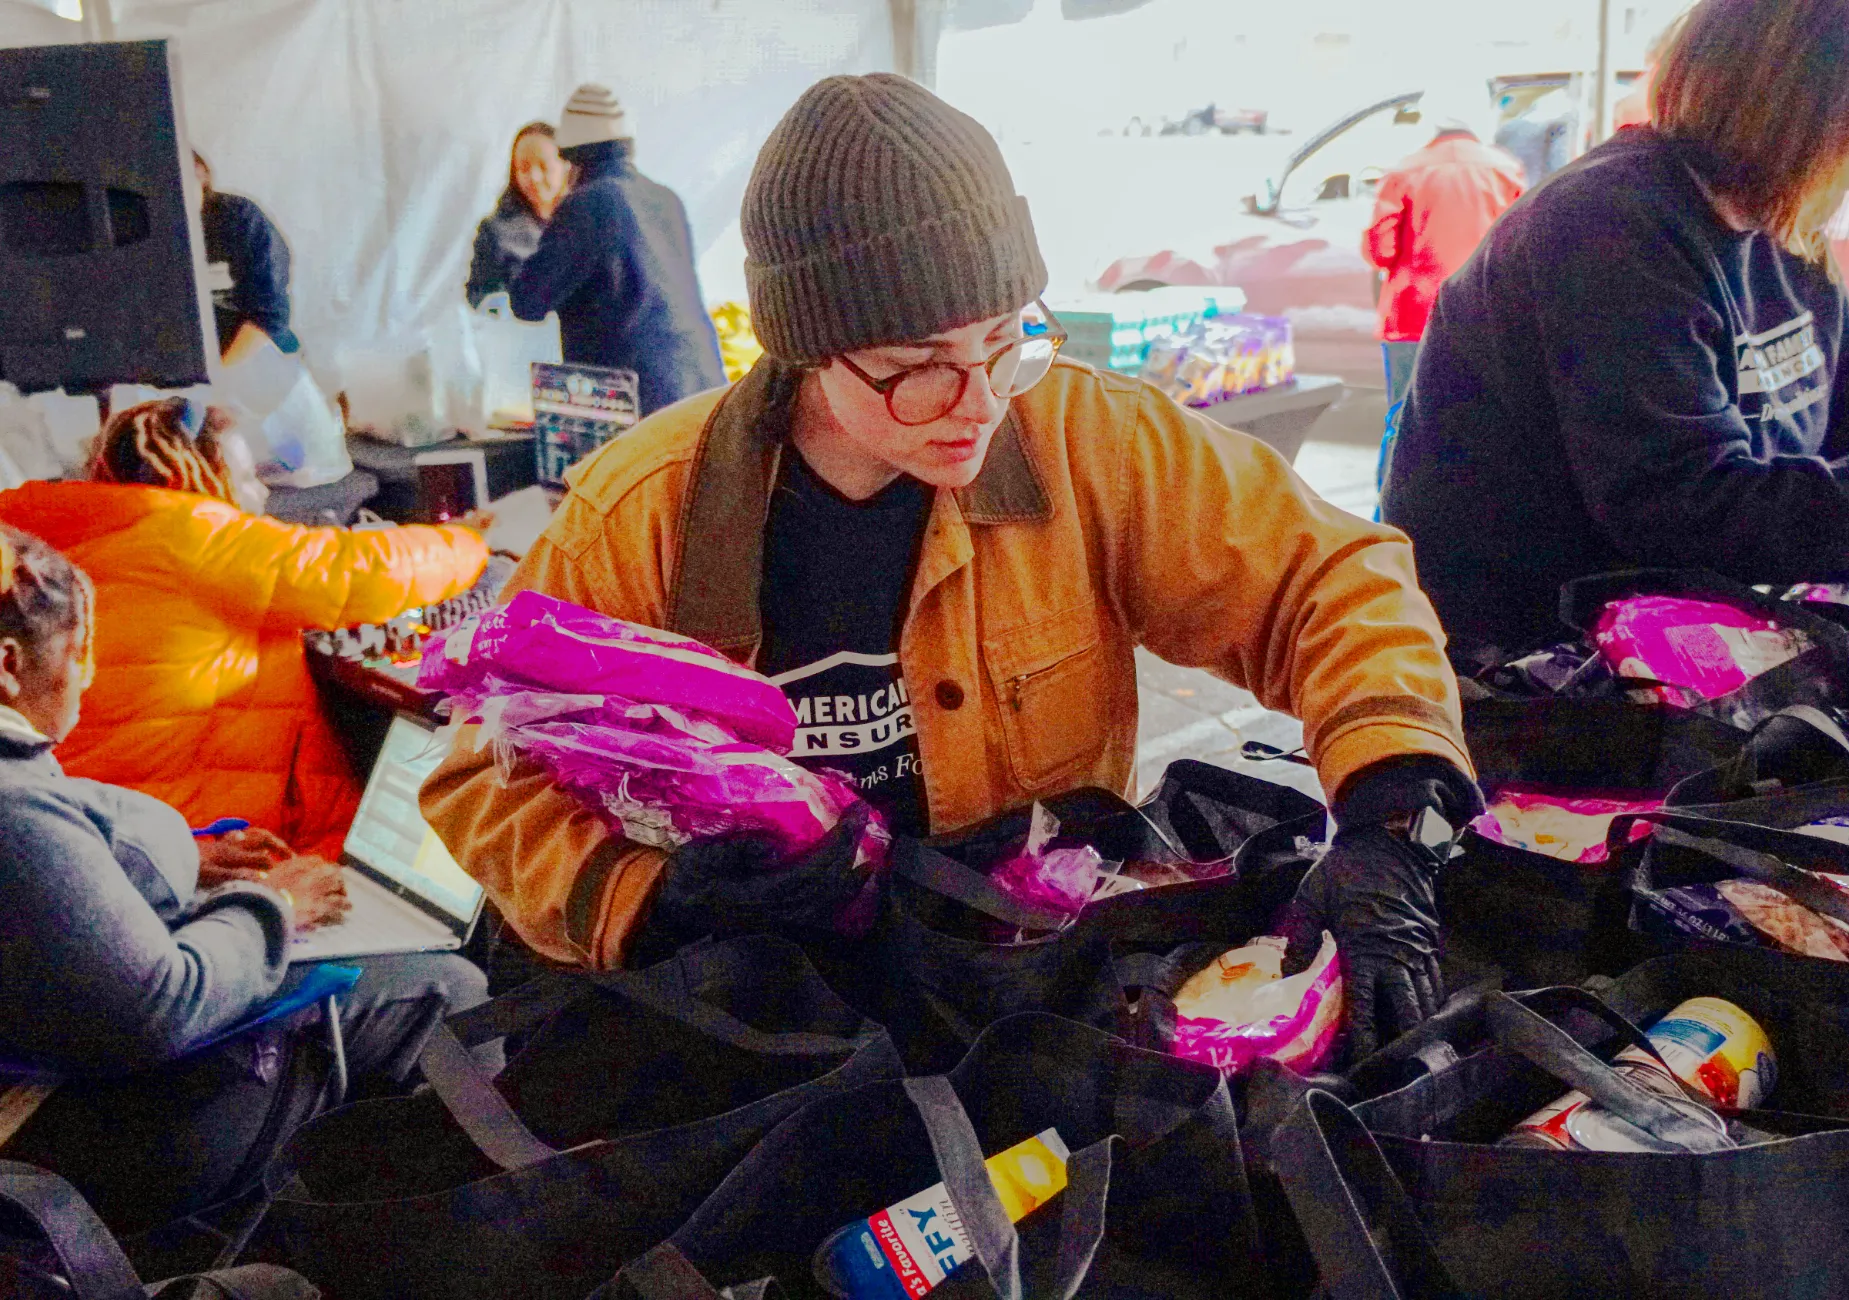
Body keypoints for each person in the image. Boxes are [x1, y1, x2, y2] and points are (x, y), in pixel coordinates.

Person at [426, 73, 1482, 1058]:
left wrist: (1392, 816)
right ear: (808, 345)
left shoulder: (1086, 443)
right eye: (919, 367)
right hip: (762, 1030)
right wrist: (650, 900)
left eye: (1002, 341)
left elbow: (1327, 582)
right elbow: (482, 777)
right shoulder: (642, 512)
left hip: (1026, 999)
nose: (979, 403)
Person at [1382, 0, 1849, 666]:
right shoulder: (1607, 225)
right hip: (1532, 666)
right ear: (1805, 107)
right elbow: (1687, 507)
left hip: (1682, 643)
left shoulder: (1781, 228)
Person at [0, 524, 485, 1232]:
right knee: (450, 989)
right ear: (8, 665)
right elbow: (159, 1005)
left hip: (46, 1084)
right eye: (79, 654)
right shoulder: (13, 810)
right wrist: (274, 905)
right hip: (68, 1138)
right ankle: (433, 1244)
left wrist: (184, 862)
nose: (89, 676)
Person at [0, 398, 489, 860]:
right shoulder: (197, 536)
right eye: (247, 477)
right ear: (195, 476)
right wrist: (469, 540)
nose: (262, 493)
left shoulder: (42, 537)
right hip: (200, 847)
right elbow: (357, 572)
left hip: (86, 836)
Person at [509, 84, 726, 415]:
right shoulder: (665, 198)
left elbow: (527, 301)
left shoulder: (589, 204)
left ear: (571, 156)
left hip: (642, 402)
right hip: (703, 385)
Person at [1362, 92, 1526, 498]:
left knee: (1401, 418)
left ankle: (1390, 512)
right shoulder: (1505, 170)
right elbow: (1520, 246)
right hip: (1482, 314)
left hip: (1411, 317)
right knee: (1479, 420)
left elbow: (1380, 249)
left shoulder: (1405, 170)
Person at [194, 151, 299, 356]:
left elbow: (269, 314)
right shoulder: (146, 231)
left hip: (253, 346)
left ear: (201, 173)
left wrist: (219, 371)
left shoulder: (239, 219)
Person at [466, 122, 570, 308]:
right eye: (524, 167)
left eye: (543, 166)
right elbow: (479, 294)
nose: (534, 177)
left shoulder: (590, 223)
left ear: (566, 166)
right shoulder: (496, 232)